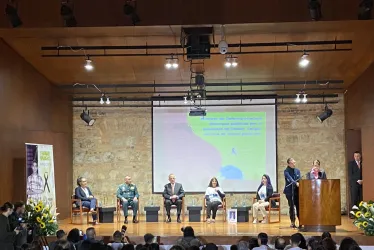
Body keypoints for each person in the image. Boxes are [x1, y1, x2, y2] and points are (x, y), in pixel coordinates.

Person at [283, 158, 301, 228]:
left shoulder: (297, 171)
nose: (294, 164)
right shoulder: (286, 171)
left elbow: (300, 179)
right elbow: (290, 179)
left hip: (297, 191)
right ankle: (292, 222)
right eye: (292, 163)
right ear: (289, 164)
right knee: (291, 207)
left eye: (294, 163)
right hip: (289, 192)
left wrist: (299, 183)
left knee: (298, 206)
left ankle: (301, 222)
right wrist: (295, 183)